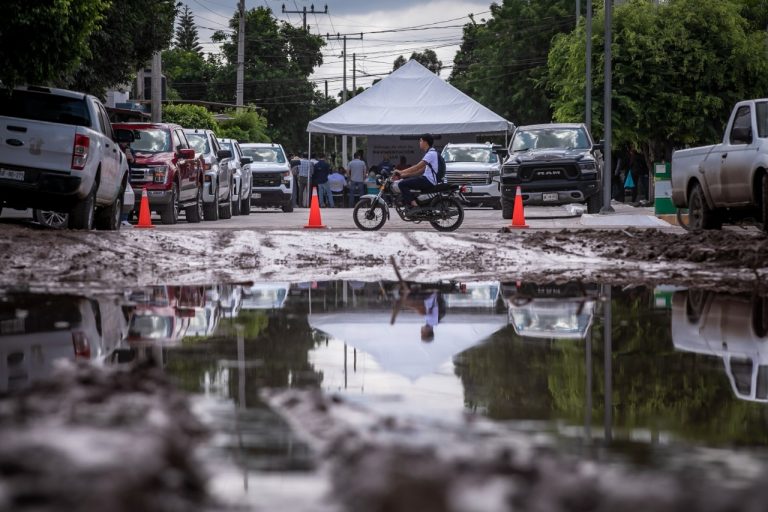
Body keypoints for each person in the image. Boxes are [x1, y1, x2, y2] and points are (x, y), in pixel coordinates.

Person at [392, 133, 439, 212]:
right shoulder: (431, 153)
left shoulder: (430, 154)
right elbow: (419, 171)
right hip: (428, 179)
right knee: (406, 181)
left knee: (402, 184)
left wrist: (400, 171)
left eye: (420, 141)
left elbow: (417, 167)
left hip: (428, 180)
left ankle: (415, 206)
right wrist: (403, 175)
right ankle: (414, 203)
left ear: (425, 142)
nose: (419, 143)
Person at [118, 140, 136, 225]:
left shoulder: (130, 150)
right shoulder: (116, 149)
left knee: (127, 196)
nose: (124, 142)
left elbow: (133, 162)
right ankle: (118, 218)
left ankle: (124, 218)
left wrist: (131, 158)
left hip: (127, 176)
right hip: (116, 174)